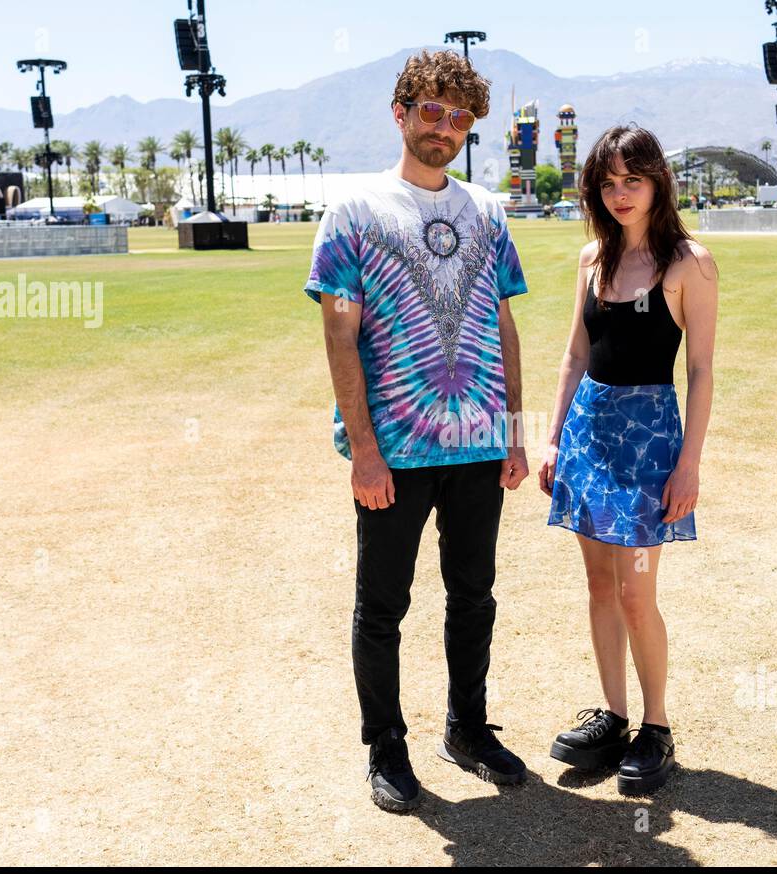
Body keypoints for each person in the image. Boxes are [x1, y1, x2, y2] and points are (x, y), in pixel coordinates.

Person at [304, 50, 532, 813]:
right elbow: (341, 335)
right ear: (400, 113)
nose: (444, 128)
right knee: (383, 607)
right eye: (430, 112)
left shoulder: (488, 213)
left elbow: (503, 326)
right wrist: (364, 451)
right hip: (395, 454)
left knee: (475, 596)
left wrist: (516, 434)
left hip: (478, 446)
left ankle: (467, 728)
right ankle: (387, 748)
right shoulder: (356, 211)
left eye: (459, 117)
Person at [539, 125, 718, 796]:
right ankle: (612, 718)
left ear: (656, 183)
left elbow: (700, 370)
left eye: (632, 181)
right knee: (599, 587)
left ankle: (657, 727)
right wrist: (553, 438)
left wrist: (689, 465)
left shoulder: (688, 264)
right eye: (608, 183)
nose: (620, 194)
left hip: (649, 443)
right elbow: (576, 354)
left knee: (637, 594)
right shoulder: (591, 258)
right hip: (587, 434)